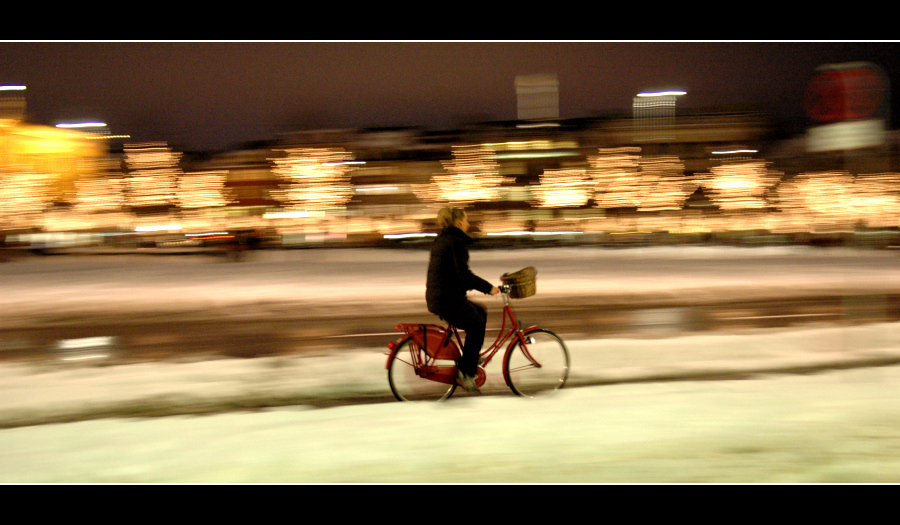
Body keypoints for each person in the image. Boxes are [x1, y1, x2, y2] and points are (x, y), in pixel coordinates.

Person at [426, 207, 500, 391]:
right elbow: (463, 274)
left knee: (480, 311)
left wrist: (467, 286)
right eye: (466, 221)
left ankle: (471, 356)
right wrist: (488, 288)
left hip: (440, 296)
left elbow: (449, 273)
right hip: (446, 299)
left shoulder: (443, 239)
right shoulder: (456, 242)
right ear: (459, 223)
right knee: (475, 324)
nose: (468, 224)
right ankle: (465, 373)